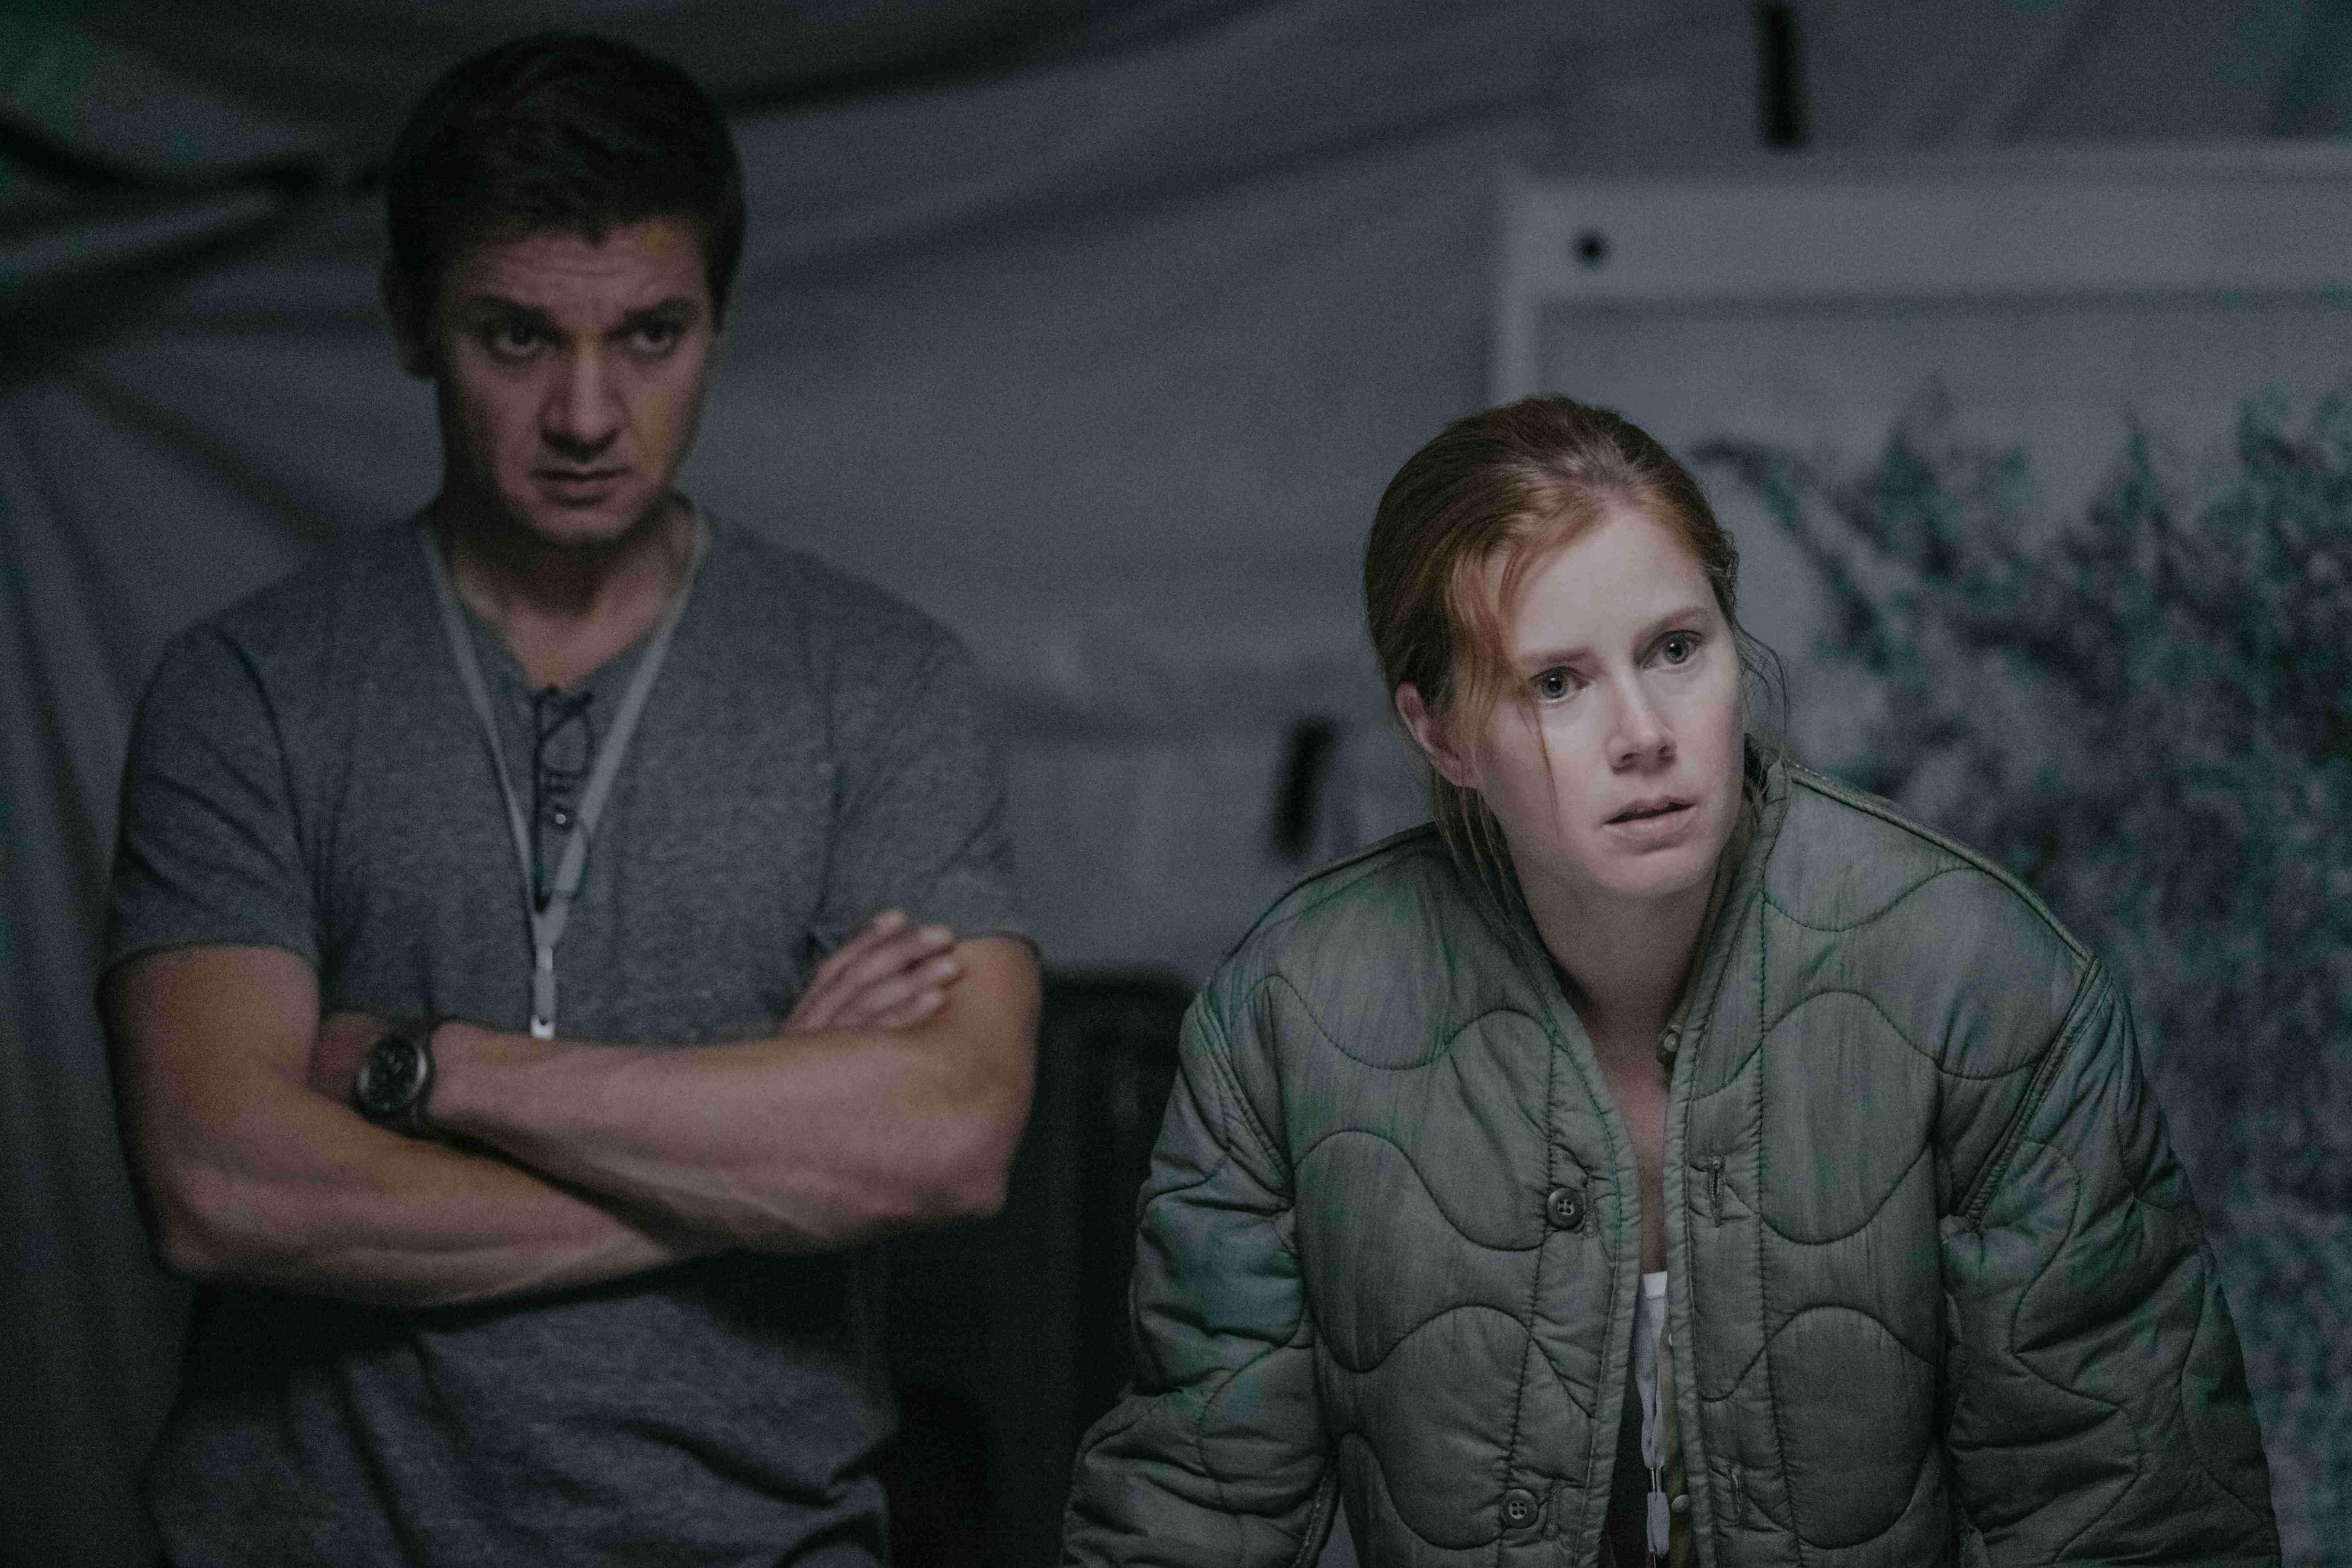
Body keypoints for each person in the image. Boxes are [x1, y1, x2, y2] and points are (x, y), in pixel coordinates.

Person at [99, 33, 1040, 1567]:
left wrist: (427, 1068)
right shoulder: (250, 687)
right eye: (518, 337)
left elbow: (946, 1141)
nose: (590, 415)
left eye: (652, 335)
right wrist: (762, 1157)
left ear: (721, 322)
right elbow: (222, 1185)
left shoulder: (882, 684)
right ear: (411, 322)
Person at [1061, 396, 2278, 1565]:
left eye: (1677, 650)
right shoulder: (1292, 1016)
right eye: (1557, 683)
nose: (1644, 733)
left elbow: (2125, 1514)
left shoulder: (1980, 984)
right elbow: (1196, 1508)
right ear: (1439, 734)